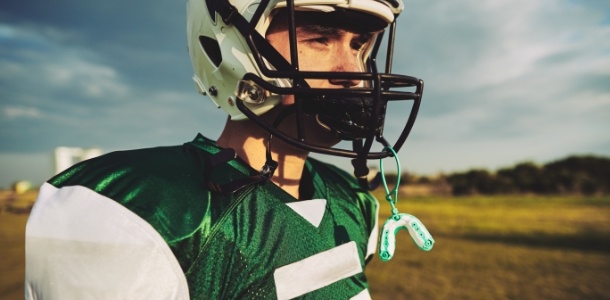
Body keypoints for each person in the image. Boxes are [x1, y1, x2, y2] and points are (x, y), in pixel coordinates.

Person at [25, 0, 424, 298]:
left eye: (359, 46)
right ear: (229, 43)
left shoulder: (353, 202)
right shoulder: (137, 212)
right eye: (319, 39)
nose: (353, 73)